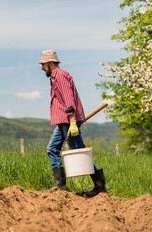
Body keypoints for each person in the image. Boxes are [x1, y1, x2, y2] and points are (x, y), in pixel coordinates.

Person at [39, 49, 107, 197]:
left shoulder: (60, 76)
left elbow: (69, 100)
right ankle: (60, 185)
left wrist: (73, 121)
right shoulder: (55, 77)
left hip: (68, 120)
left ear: (51, 63)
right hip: (63, 121)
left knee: (80, 150)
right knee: (52, 149)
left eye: (43, 64)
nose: (42, 68)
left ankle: (100, 187)